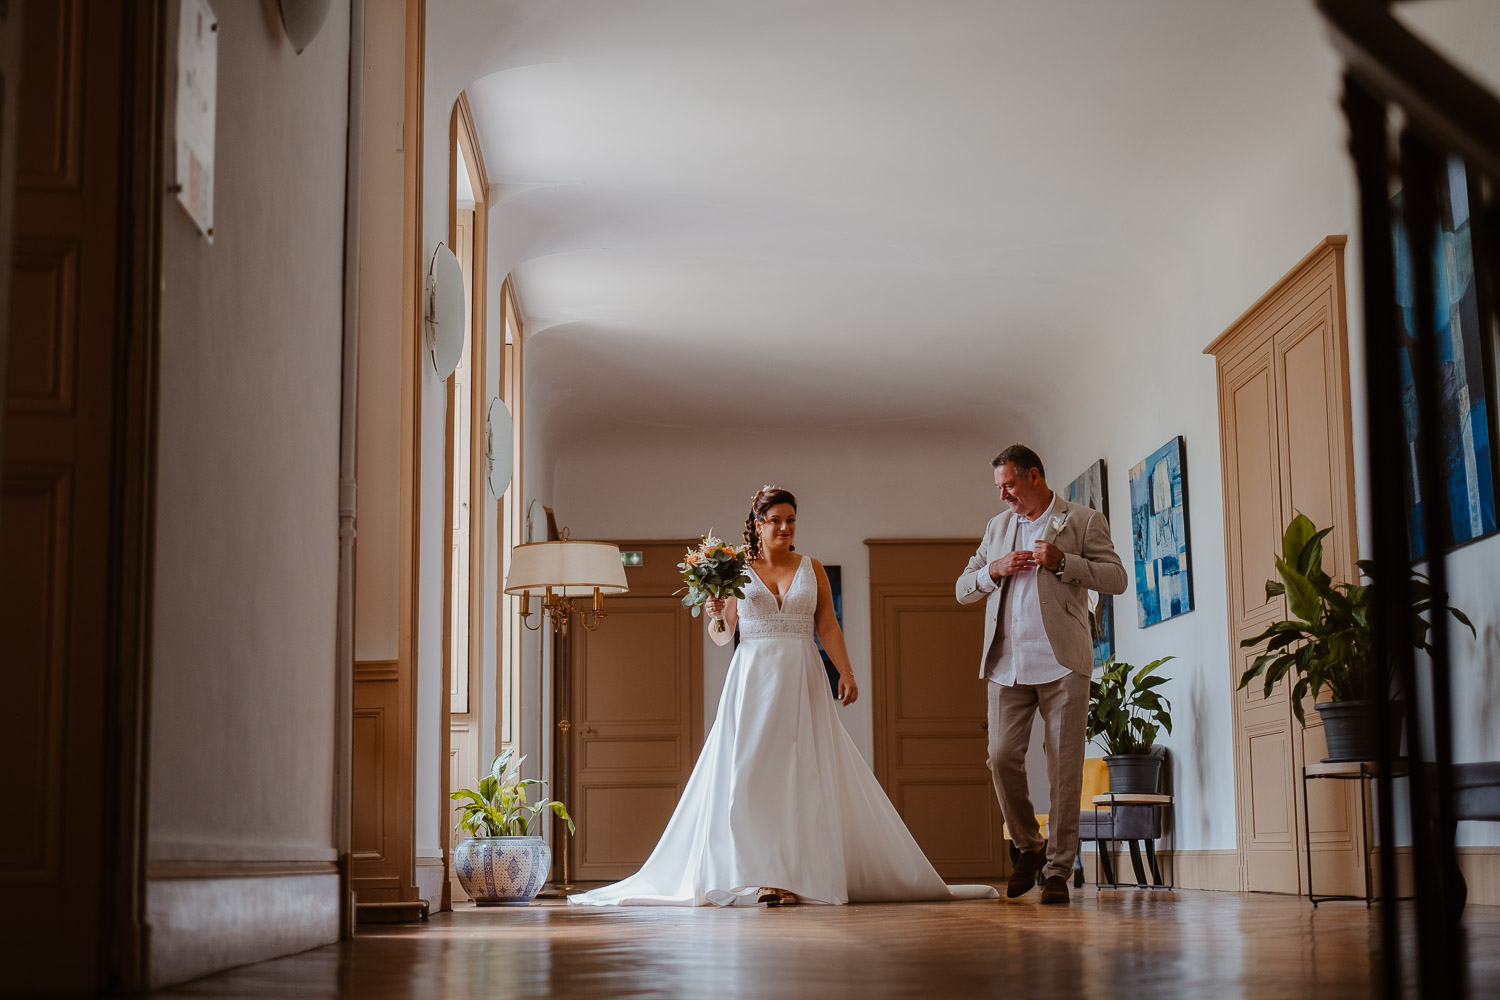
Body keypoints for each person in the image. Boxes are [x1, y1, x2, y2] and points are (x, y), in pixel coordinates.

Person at [569, 486, 998, 907]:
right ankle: (761, 877)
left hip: (801, 675)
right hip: (752, 679)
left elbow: (827, 625)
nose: (785, 527)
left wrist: (846, 673)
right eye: (775, 520)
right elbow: (723, 636)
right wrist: (715, 612)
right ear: (758, 524)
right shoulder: (735, 569)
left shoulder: (812, 568)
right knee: (752, 776)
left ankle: (795, 875)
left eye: (791, 520)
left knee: (800, 774)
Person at [956, 445, 1127, 905]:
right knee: (1000, 757)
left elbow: (1116, 578)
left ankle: (1058, 870)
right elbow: (962, 589)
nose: (1003, 495)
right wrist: (994, 570)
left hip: (1062, 663)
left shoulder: (1083, 520)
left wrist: (1063, 562)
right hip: (1006, 665)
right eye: (999, 487)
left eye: (1009, 485)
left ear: (1034, 476)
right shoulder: (997, 528)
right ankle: (1029, 846)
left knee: (1064, 769)